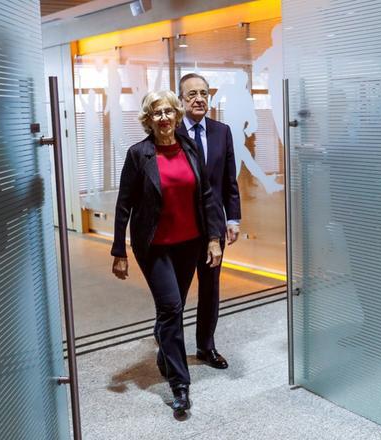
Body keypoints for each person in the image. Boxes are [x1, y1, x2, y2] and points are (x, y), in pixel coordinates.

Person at [110, 90, 224, 416]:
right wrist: (119, 250)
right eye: (156, 113)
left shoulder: (189, 149)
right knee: (172, 306)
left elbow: (206, 196)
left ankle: (163, 342)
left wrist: (213, 238)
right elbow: (124, 205)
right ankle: (180, 385)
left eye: (168, 112)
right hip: (155, 246)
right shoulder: (138, 154)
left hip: (190, 244)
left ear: (176, 115)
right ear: (149, 119)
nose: (163, 118)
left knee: (172, 311)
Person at [176, 73, 241, 369]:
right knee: (176, 290)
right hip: (180, 226)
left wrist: (233, 217)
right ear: (181, 100)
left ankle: (206, 346)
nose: (199, 99)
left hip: (213, 224)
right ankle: (169, 345)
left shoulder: (221, 131)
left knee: (210, 288)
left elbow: (229, 180)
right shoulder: (170, 132)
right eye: (191, 94)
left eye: (203, 93)